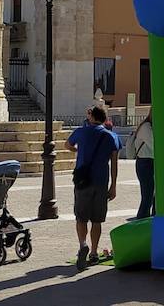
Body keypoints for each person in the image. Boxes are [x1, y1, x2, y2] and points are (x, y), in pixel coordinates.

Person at [69, 104, 120, 270]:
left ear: (92, 117)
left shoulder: (81, 132)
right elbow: (114, 163)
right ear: (105, 119)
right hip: (101, 182)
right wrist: (113, 185)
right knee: (97, 220)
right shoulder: (112, 136)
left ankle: (82, 244)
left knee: (81, 217)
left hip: (83, 181)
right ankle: (93, 252)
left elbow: (67, 145)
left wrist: (79, 150)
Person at [129, 112, 155, 219]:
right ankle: (141, 220)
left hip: (150, 162)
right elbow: (154, 145)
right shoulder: (146, 127)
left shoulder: (149, 126)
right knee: (147, 196)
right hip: (145, 163)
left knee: (154, 197)